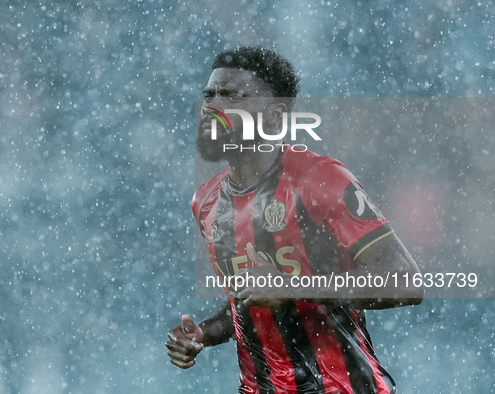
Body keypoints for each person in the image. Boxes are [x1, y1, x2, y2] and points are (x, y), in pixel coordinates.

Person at [166, 46, 423, 394]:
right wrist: (204, 333)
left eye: (232, 96)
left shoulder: (320, 179)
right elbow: (251, 298)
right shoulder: (206, 202)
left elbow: (404, 282)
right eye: (209, 95)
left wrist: (294, 286)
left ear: (274, 114)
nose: (212, 106)